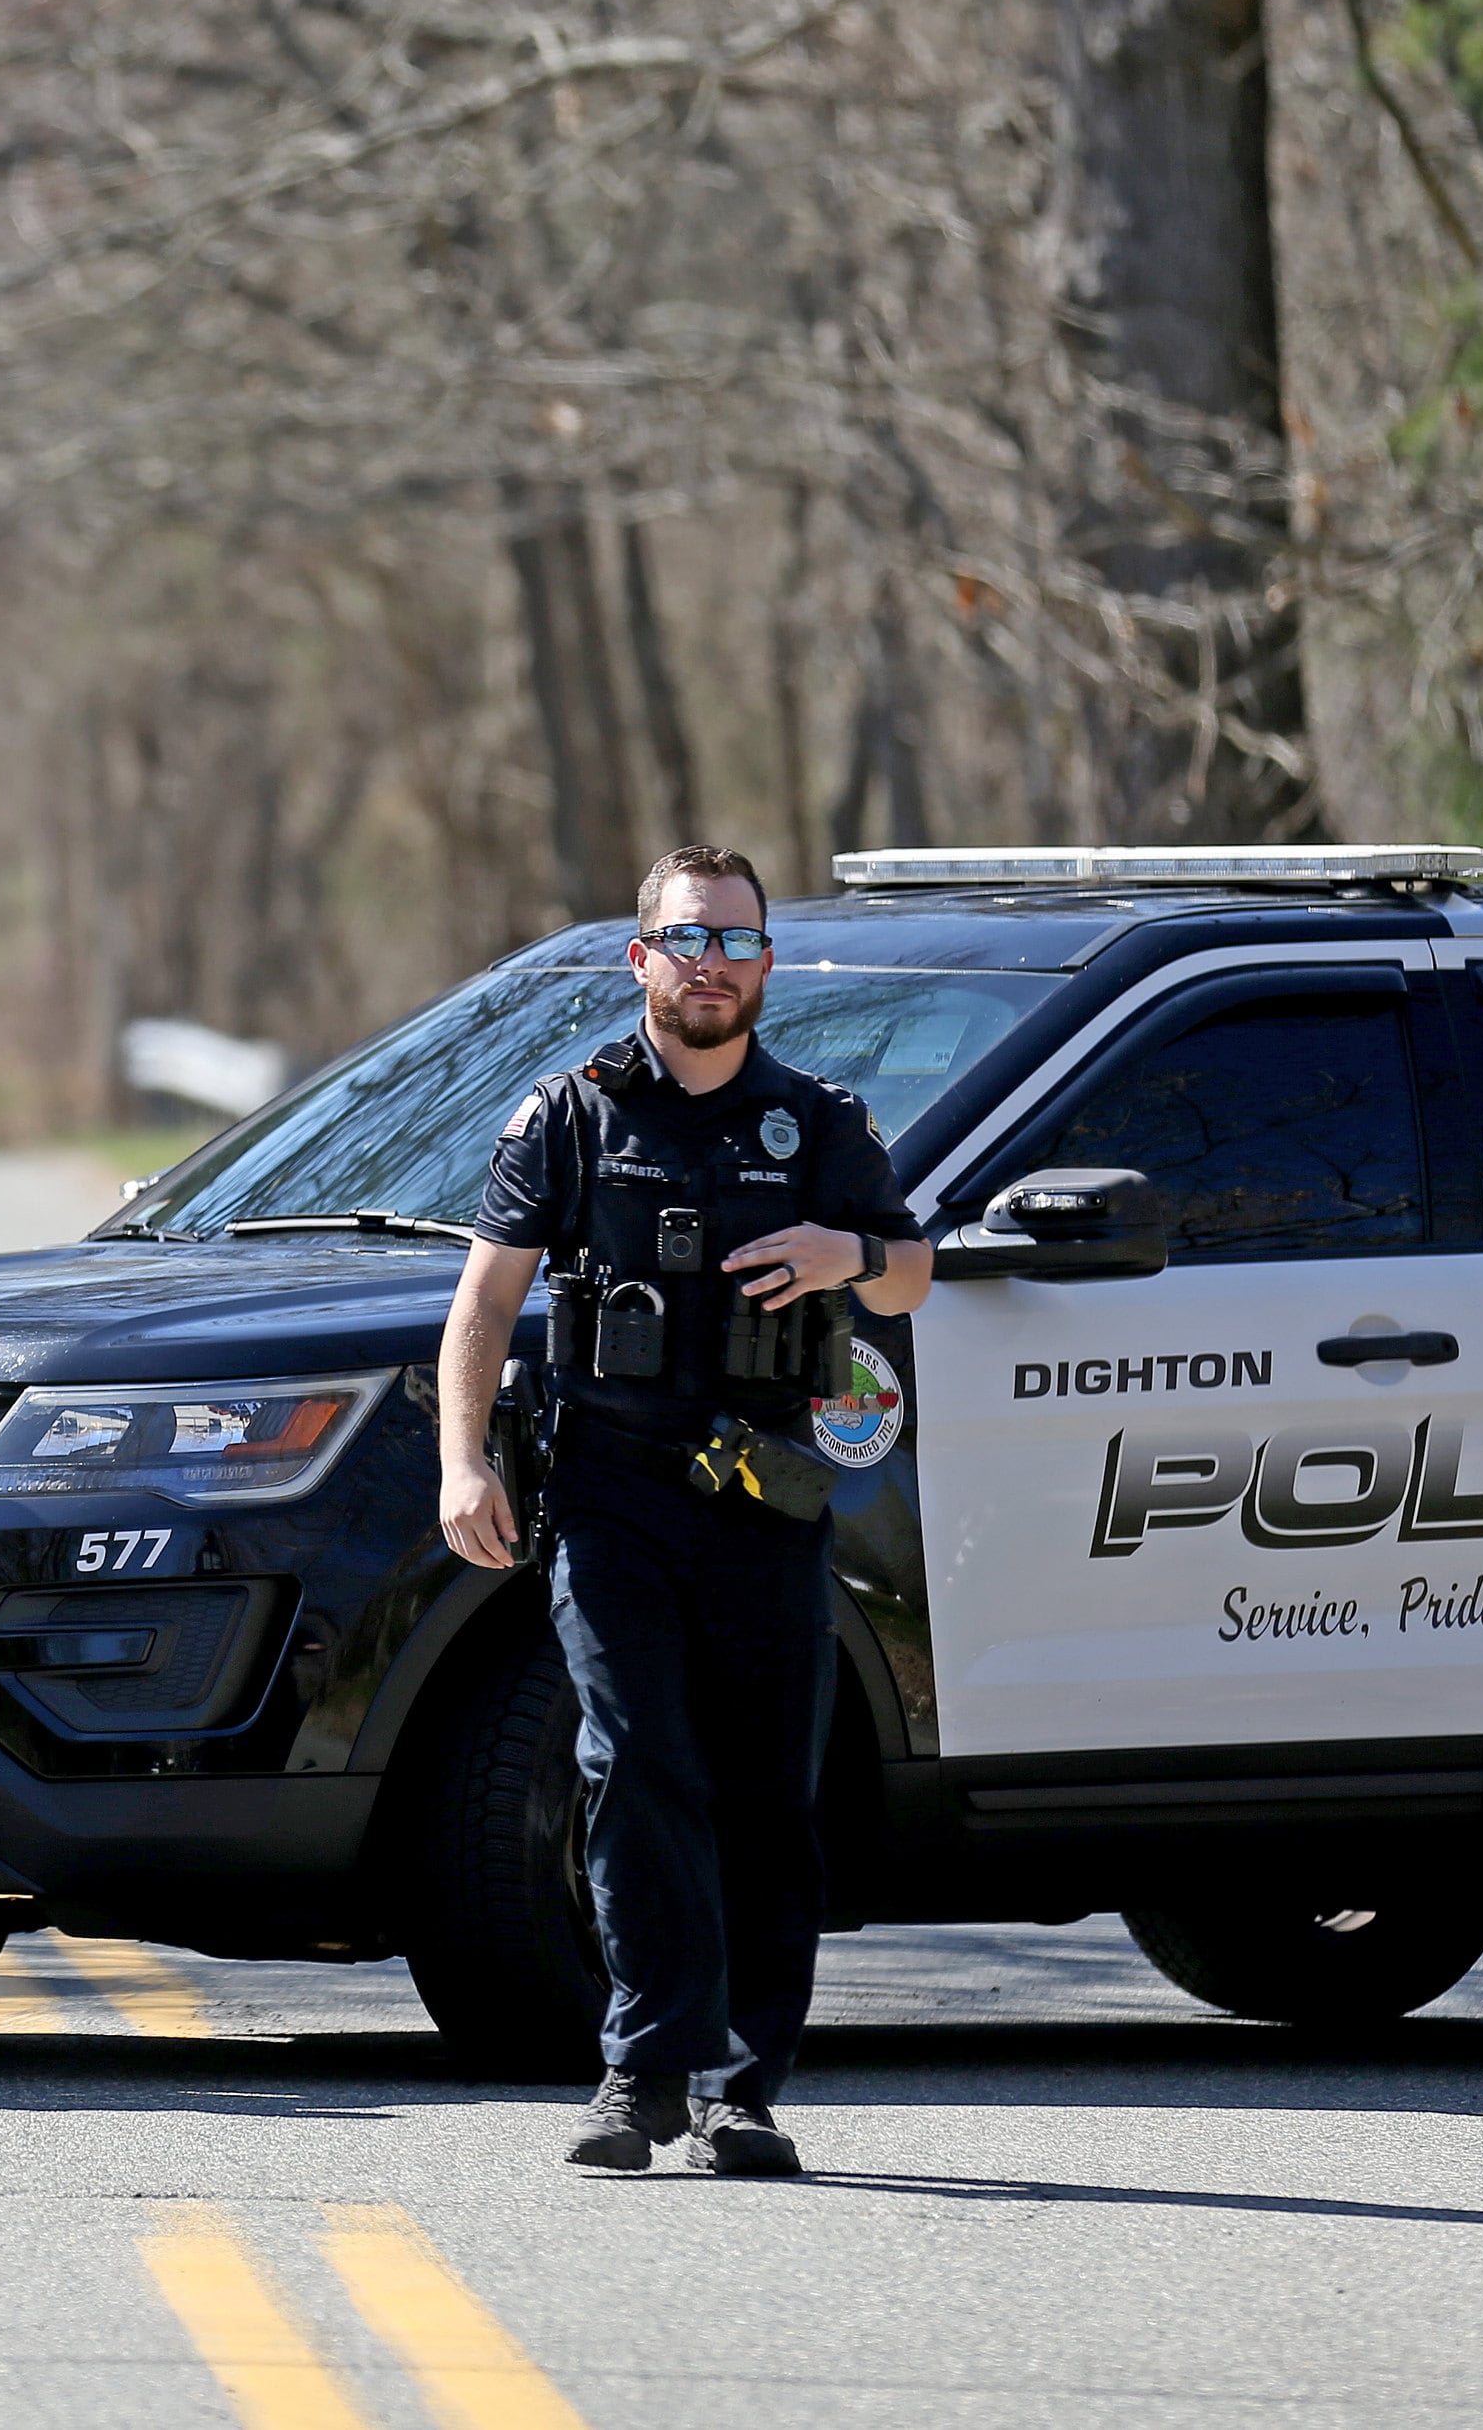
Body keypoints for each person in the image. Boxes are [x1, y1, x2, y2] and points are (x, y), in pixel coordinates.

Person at [432, 842, 932, 2176]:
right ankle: (639, 2067)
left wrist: (855, 1252)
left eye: (736, 941)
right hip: (613, 1492)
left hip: (770, 1498)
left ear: (767, 963)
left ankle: (740, 2085)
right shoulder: (573, 1115)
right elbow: (481, 1304)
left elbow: (915, 1279)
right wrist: (462, 1462)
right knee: (637, 1757)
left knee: (770, 1789)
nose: (712, 963)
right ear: (640, 957)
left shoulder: (821, 1123)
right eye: (689, 938)